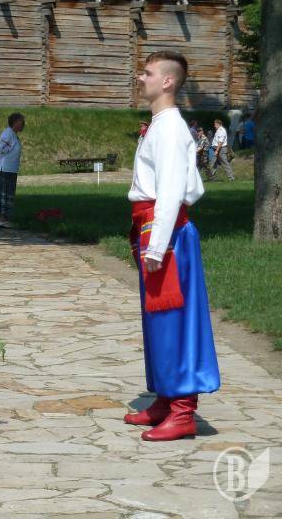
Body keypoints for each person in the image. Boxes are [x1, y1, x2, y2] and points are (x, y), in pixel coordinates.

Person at [124, 50, 220, 442]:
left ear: (167, 81)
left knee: (174, 319)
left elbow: (170, 192)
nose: (140, 78)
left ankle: (182, 411)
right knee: (158, 320)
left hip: (166, 236)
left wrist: (156, 247)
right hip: (156, 230)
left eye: (147, 73)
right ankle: (166, 398)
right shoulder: (162, 125)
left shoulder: (169, 129)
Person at [0, 113, 24, 229]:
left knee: (7, 194)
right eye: (21, 122)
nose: (23, 124)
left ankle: (4, 219)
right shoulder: (8, 134)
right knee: (5, 194)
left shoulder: (12, 134)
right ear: (15, 122)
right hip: (4, 169)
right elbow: (0, 149)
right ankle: (2, 219)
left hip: (9, 169)